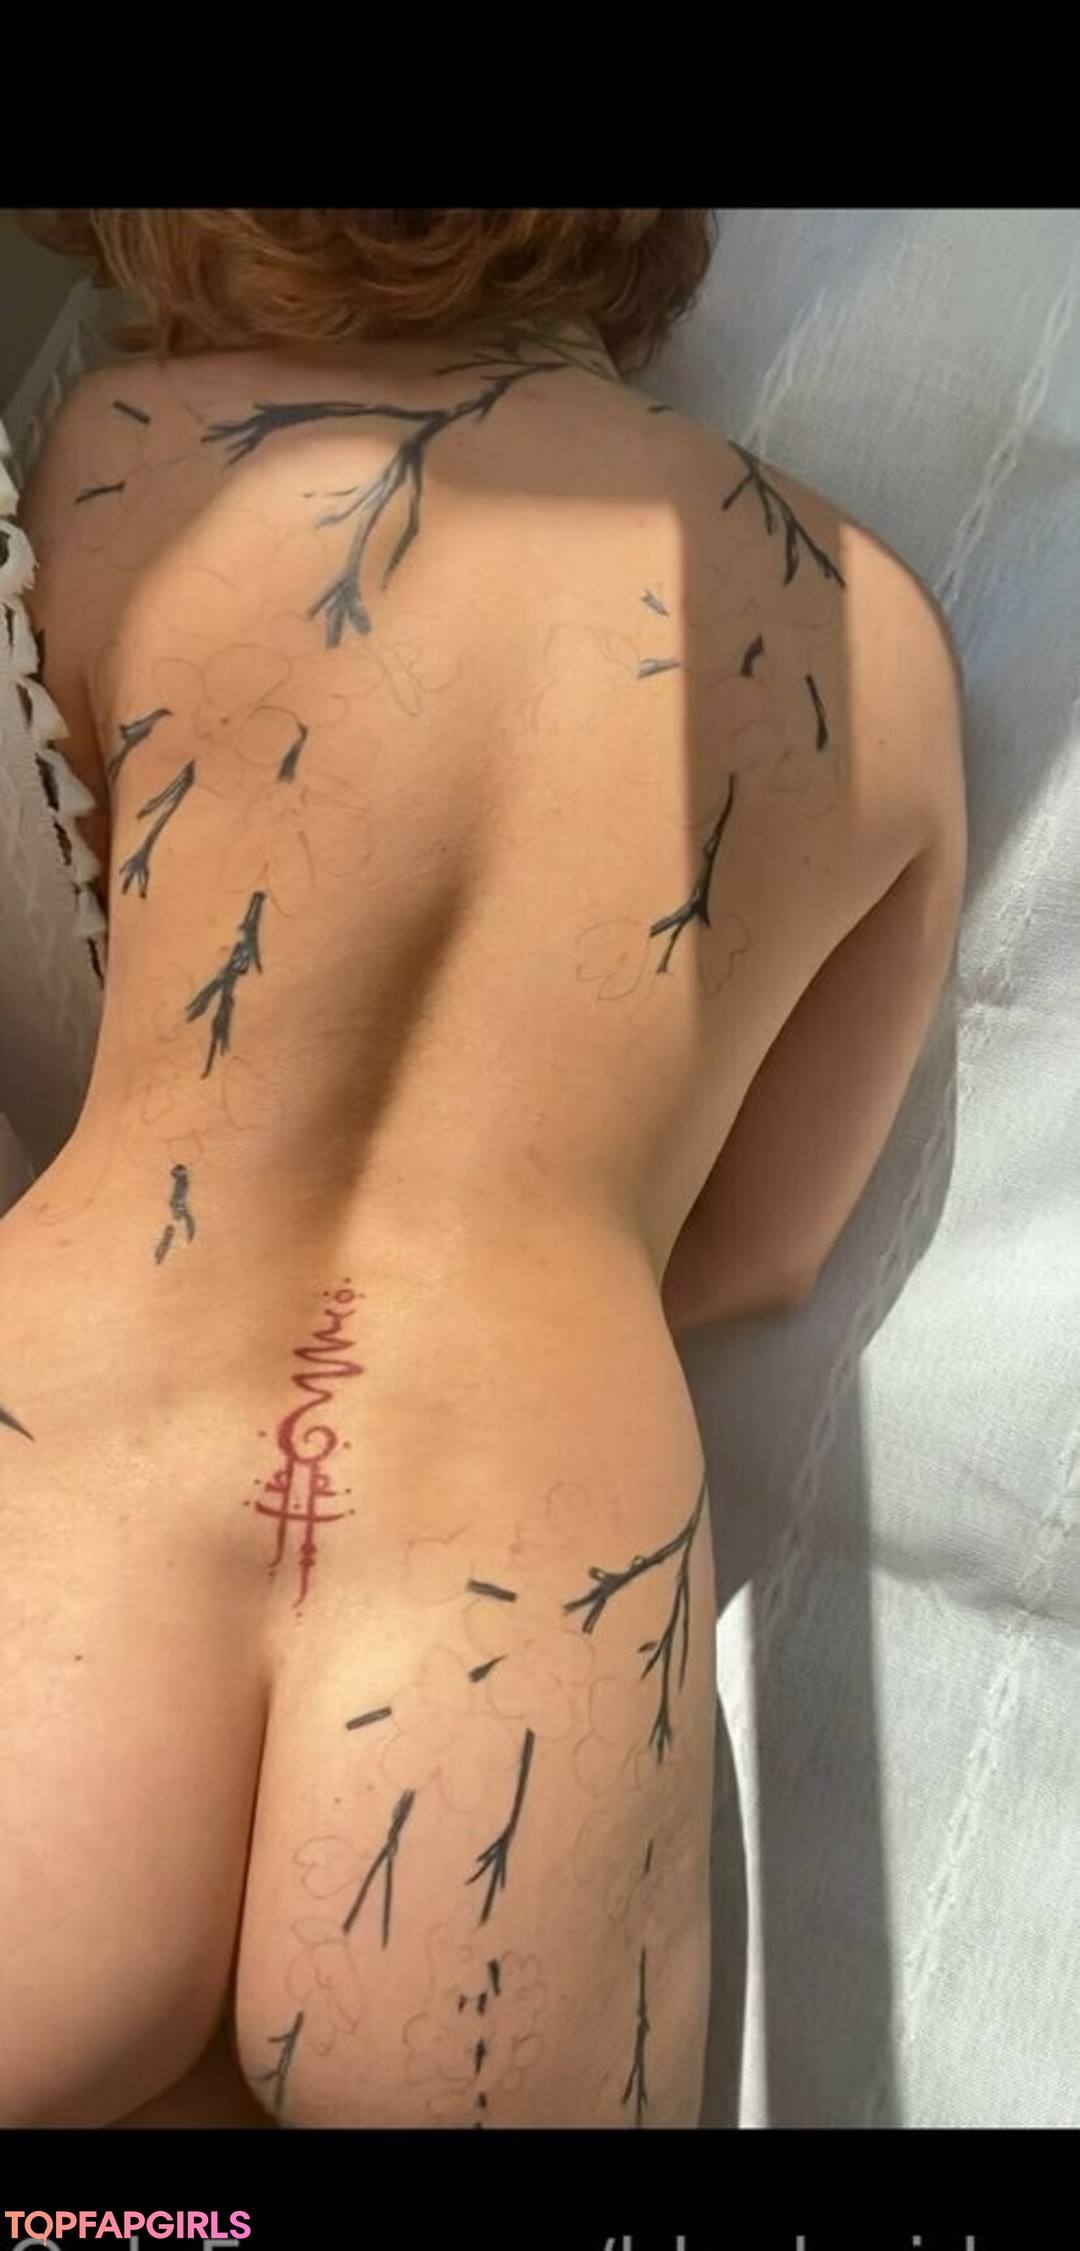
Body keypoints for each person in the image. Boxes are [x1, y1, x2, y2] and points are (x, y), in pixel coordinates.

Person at [0, 208, 965, 2129]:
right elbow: (770, 1247)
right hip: (530, 1579)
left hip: (75, 1472)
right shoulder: (878, 641)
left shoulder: (126, 461)